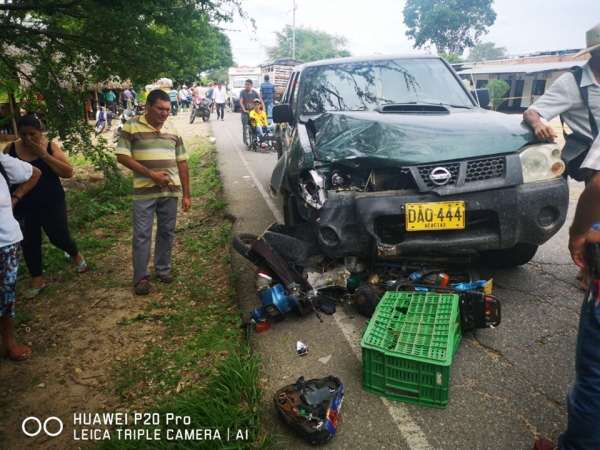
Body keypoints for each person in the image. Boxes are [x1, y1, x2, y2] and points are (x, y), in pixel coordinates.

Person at [523, 22, 600, 292]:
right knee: (594, 223)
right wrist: (538, 125)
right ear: (595, 53)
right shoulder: (573, 82)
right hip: (593, 164)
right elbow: (533, 112)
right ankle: (591, 274)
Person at [2, 114, 89, 298]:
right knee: (29, 242)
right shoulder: (10, 149)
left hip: (51, 202)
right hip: (22, 205)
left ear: (41, 132)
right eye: (23, 134)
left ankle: (76, 255)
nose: (27, 138)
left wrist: (44, 155)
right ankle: (37, 279)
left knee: (60, 237)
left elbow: (68, 172)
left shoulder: (49, 146)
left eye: (32, 134)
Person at [115, 89, 191, 296]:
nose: (165, 113)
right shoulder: (131, 126)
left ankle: (162, 269)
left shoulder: (173, 128)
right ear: (147, 106)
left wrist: (186, 194)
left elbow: (182, 161)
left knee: (167, 232)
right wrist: (151, 174)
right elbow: (122, 156)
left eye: (167, 109)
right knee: (141, 235)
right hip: (144, 191)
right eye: (160, 108)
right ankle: (140, 277)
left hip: (170, 190)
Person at [0, 153, 41, 360]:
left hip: (6, 242)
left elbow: (34, 173)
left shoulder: (2, 162)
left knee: (6, 294)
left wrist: (15, 198)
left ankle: (8, 342)